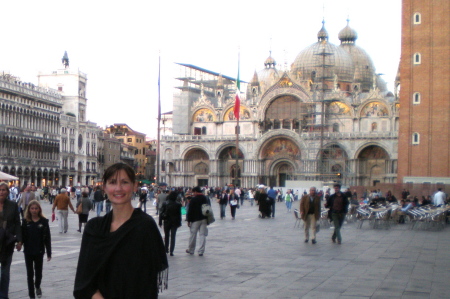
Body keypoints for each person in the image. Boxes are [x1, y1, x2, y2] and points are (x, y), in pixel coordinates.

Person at [74, 163, 168, 298]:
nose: (118, 188)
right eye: (112, 182)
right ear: (104, 188)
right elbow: (83, 280)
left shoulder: (145, 226)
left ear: (134, 186)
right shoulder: (94, 228)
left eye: (124, 182)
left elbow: (148, 281)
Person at [21, 200, 51, 299]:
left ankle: (37, 285)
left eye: (36, 208)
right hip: (28, 251)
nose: (34, 210)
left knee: (38, 273)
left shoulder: (44, 221)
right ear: (29, 210)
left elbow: (47, 238)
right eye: (32, 208)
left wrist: (49, 253)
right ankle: (31, 295)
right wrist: (19, 243)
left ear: (39, 209)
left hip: (39, 250)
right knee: (30, 274)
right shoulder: (25, 221)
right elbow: (22, 235)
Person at [0, 182, 23, 299]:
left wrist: (19, 240)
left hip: (7, 241)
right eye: (0, 190)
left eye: (4, 190)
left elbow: (17, 224)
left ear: (8, 192)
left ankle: (3, 295)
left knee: (5, 270)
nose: (1, 192)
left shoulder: (13, 205)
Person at [185, 186, 208, 256]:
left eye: (193, 192)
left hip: (195, 219)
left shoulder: (193, 199)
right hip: (204, 219)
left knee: (193, 235)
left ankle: (191, 250)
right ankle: (201, 251)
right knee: (202, 235)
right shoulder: (205, 198)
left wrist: (188, 220)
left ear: (195, 192)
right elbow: (208, 208)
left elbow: (190, 210)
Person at [158, 191, 182, 256]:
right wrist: (180, 222)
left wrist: (160, 221)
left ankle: (166, 249)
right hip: (175, 222)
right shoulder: (178, 204)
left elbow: (161, 212)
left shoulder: (165, 203)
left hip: (166, 221)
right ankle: (172, 251)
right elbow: (179, 214)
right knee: (173, 236)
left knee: (166, 235)